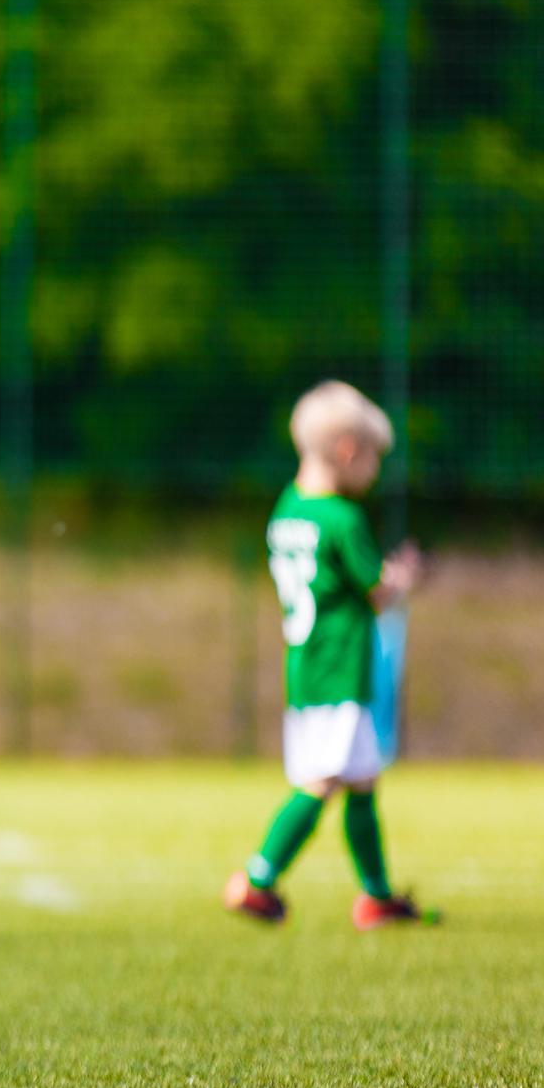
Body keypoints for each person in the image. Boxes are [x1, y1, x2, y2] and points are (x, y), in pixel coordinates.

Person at [226, 380, 427, 930]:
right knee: (321, 782)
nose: (374, 473)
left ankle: (377, 896)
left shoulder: (288, 509)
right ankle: (257, 878)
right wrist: (405, 577)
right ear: (346, 448)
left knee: (362, 781)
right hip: (338, 668)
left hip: (308, 666)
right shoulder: (342, 518)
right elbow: (378, 592)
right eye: (373, 459)